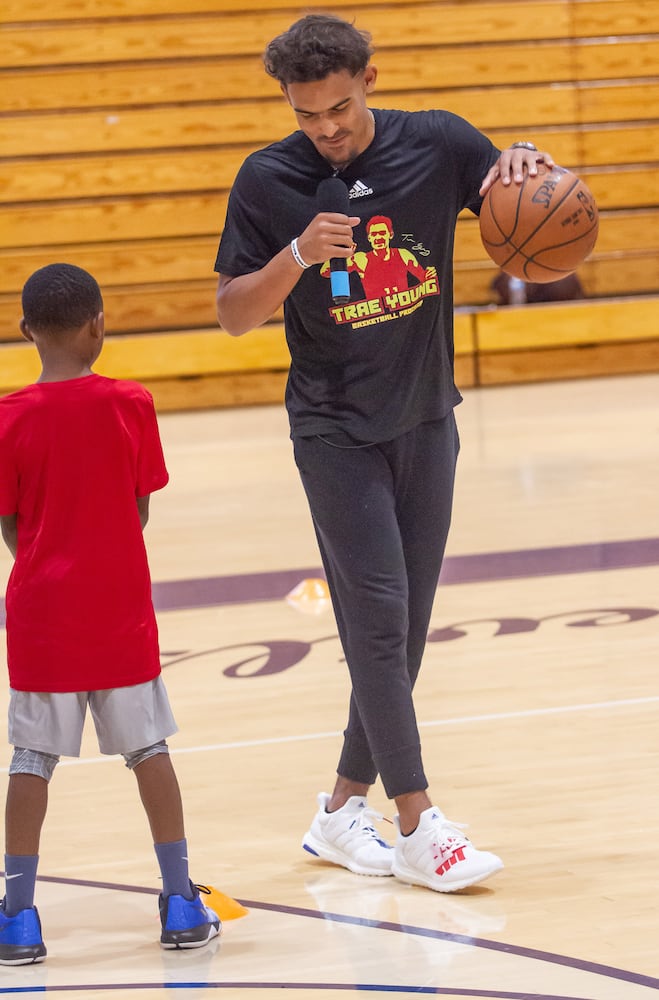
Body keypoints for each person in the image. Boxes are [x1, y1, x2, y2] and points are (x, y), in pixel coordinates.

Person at [214, 13, 555, 893]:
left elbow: (525, 196)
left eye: (335, 108)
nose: (323, 129)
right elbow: (233, 313)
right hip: (333, 431)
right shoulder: (268, 178)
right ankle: (416, 824)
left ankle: (336, 815)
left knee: (399, 635)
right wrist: (295, 254)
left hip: (426, 420)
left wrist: (530, 160)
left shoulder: (435, 143)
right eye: (304, 115)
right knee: (374, 620)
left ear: (368, 77)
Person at [0, 263, 220, 964]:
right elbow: (140, 505)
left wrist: (45, 554)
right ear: (100, 325)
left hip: (41, 614)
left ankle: (17, 916)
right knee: (148, 751)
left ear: (26, 330)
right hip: (119, 609)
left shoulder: (7, 417)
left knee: (31, 759)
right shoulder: (132, 402)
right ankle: (181, 901)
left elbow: (8, 523)